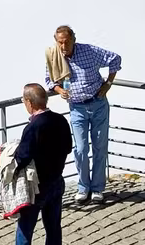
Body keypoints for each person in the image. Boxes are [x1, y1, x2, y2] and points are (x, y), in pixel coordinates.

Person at [45, 25, 121, 205]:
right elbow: (48, 80)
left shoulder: (88, 51)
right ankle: (83, 187)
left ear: (73, 39)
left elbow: (115, 59)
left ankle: (97, 189)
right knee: (80, 149)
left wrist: (108, 84)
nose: (63, 46)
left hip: (98, 103)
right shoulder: (54, 55)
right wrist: (58, 89)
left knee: (99, 146)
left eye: (66, 42)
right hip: (77, 107)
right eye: (60, 42)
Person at [9, 84, 73, 245]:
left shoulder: (33, 126)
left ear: (29, 102)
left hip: (36, 187)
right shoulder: (61, 120)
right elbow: (69, 148)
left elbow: (23, 157)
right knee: (53, 229)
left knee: (25, 230)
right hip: (56, 181)